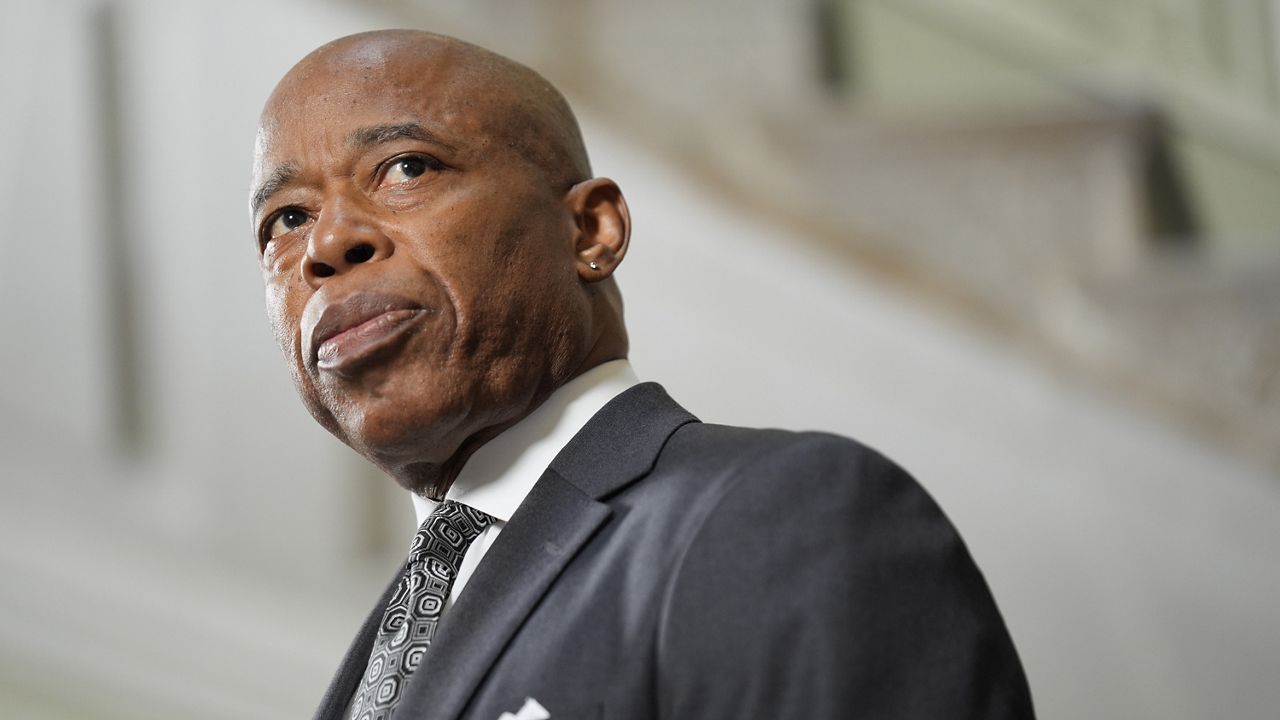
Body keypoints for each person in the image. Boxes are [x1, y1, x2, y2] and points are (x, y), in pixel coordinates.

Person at [250, 29, 1035, 720]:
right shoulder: (403, 631)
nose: (327, 244)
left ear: (591, 230)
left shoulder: (781, 515)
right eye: (286, 219)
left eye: (406, 168)